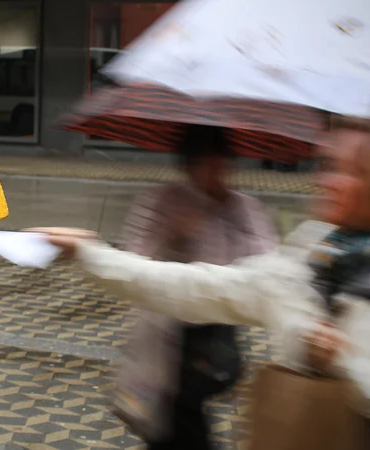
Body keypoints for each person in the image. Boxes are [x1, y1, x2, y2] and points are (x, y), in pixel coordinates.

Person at [35, 117, 370, 448]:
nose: (324, 180)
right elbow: (198, 286)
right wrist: (89, 252)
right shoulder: (311, 254)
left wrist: (347, 366)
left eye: (349, 171)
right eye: (327, 164)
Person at [117, 125, 277, 450]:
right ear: (189, 165)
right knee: (170, 419)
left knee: (179, 412)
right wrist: (173, 237)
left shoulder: (242, 207)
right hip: (168, 330)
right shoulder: (164, 201)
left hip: (216, 332)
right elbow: (132, 260)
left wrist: (233, 233)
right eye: (205, 165)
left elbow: (267, 260)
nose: (215, 175)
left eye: (221, 165)